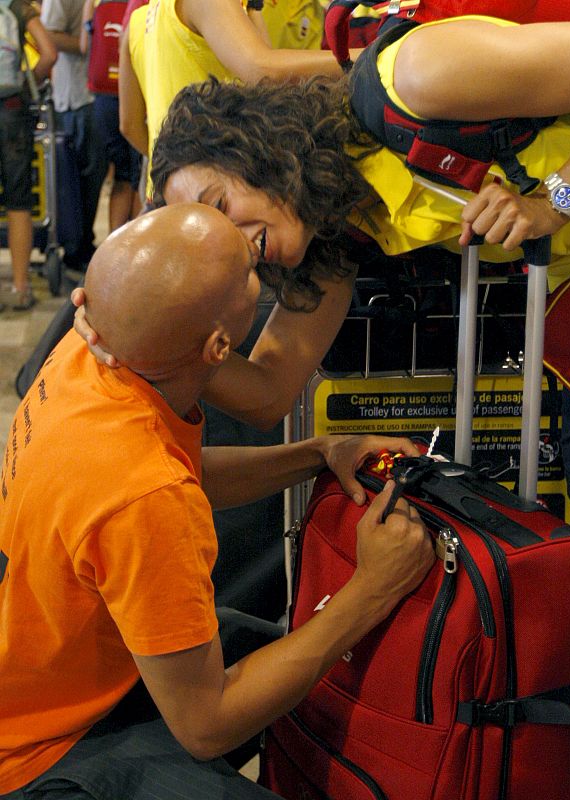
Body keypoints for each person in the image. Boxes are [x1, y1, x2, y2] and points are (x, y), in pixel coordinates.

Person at [73, 16, 570, 762]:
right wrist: (137, 332)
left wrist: (556, 199)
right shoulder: (339, 226)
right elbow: (265, 390)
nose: (234, 243)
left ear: (253, 147)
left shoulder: (415, 76)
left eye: (221, 205)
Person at [0, 202, 434, 799]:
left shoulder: (92, 352)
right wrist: (373, 588)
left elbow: (184, 475)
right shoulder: (143, 494)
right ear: (220, 346)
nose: (259, 256)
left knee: (280, 654)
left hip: (61, 661)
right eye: (248, 272)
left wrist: (318, 452)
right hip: (39, 751)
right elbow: (207, 725)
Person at [119, 0, 361, 196]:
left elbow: (129, 124)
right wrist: (375, 57)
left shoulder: (139, 21)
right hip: (220, 189)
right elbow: (263, 72)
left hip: (166, 190)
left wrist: (176, 164)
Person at [41, 0, 108, 272]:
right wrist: (91, 42)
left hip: (101, 94)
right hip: (76, 98)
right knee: (78, 177)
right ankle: (74, 246)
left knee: (95, 174)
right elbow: (49, 36)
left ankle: (83, 242)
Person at [0, 0, 56, 310]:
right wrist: (26, 84)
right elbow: (48, 53)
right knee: (18, 199)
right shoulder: (18, 6)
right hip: (10, 110)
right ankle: (20, 287)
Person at [79, 0, 142, 231]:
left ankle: (114, 245)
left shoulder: (94, 2)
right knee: (140, 175)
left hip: (104, 95)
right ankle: (137, 244)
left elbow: (85, 46)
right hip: (137, 89)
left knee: (121, 174)